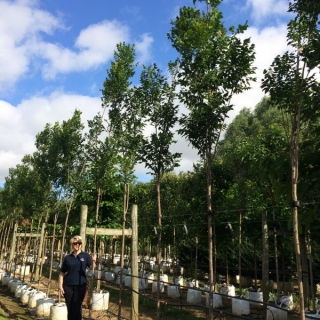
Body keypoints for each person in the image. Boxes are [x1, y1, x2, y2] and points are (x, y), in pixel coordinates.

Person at [59, 235, 96, 320]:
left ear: (81, 244)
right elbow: (62, 272)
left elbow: (92, 267)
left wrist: (94, 261)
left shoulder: (85, 256)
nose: (77, 245)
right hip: (68, 285)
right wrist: (60, 286)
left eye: (79, 243)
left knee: (76, 306)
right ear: (72, 244)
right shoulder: (68, 258)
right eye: (75, 243)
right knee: (70, 307)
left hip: (80, 285)